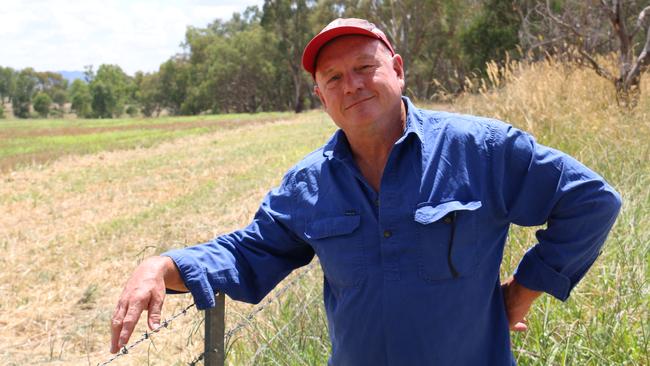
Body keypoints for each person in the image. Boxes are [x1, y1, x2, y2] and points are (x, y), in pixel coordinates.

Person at [110, 18, 622, 365]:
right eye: (333, 77)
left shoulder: (481, 149)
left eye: (364, 68)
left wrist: (521, 293)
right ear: (320, 97)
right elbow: (251, 251)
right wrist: (163, 265)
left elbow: (591, 202)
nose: (350, 85)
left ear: (397, 70)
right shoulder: (309, 185)